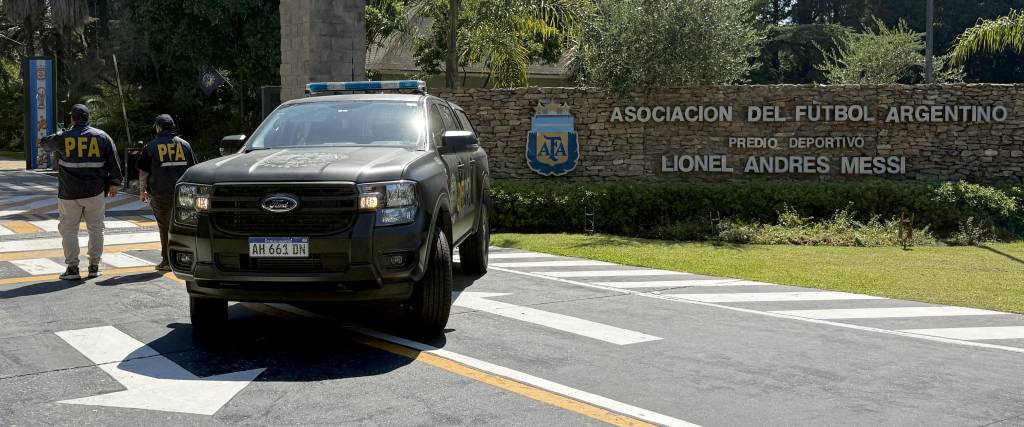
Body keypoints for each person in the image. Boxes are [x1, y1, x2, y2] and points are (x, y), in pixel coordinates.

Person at [39, 104, 123, 280]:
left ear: (72, 119)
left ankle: (72, 269)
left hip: (69, 193)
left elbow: (44, 144)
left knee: (69, 230)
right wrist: (115, 182)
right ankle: (94, 266)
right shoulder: (102, 137)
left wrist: (61, 133)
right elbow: (113, 160)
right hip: (95, 192)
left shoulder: (64, 137)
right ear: (88, 118)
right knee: (96, 229)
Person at [137, 114, 197, 271]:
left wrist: (142, 191)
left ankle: (167, 261)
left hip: (160, 194)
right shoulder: (185, 145)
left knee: (164, 227)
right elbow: (193, 169)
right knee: (184, 226)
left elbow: (144, 173)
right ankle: (187, 259)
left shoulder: (151, 146)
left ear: (158, 127)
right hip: (183, 195)